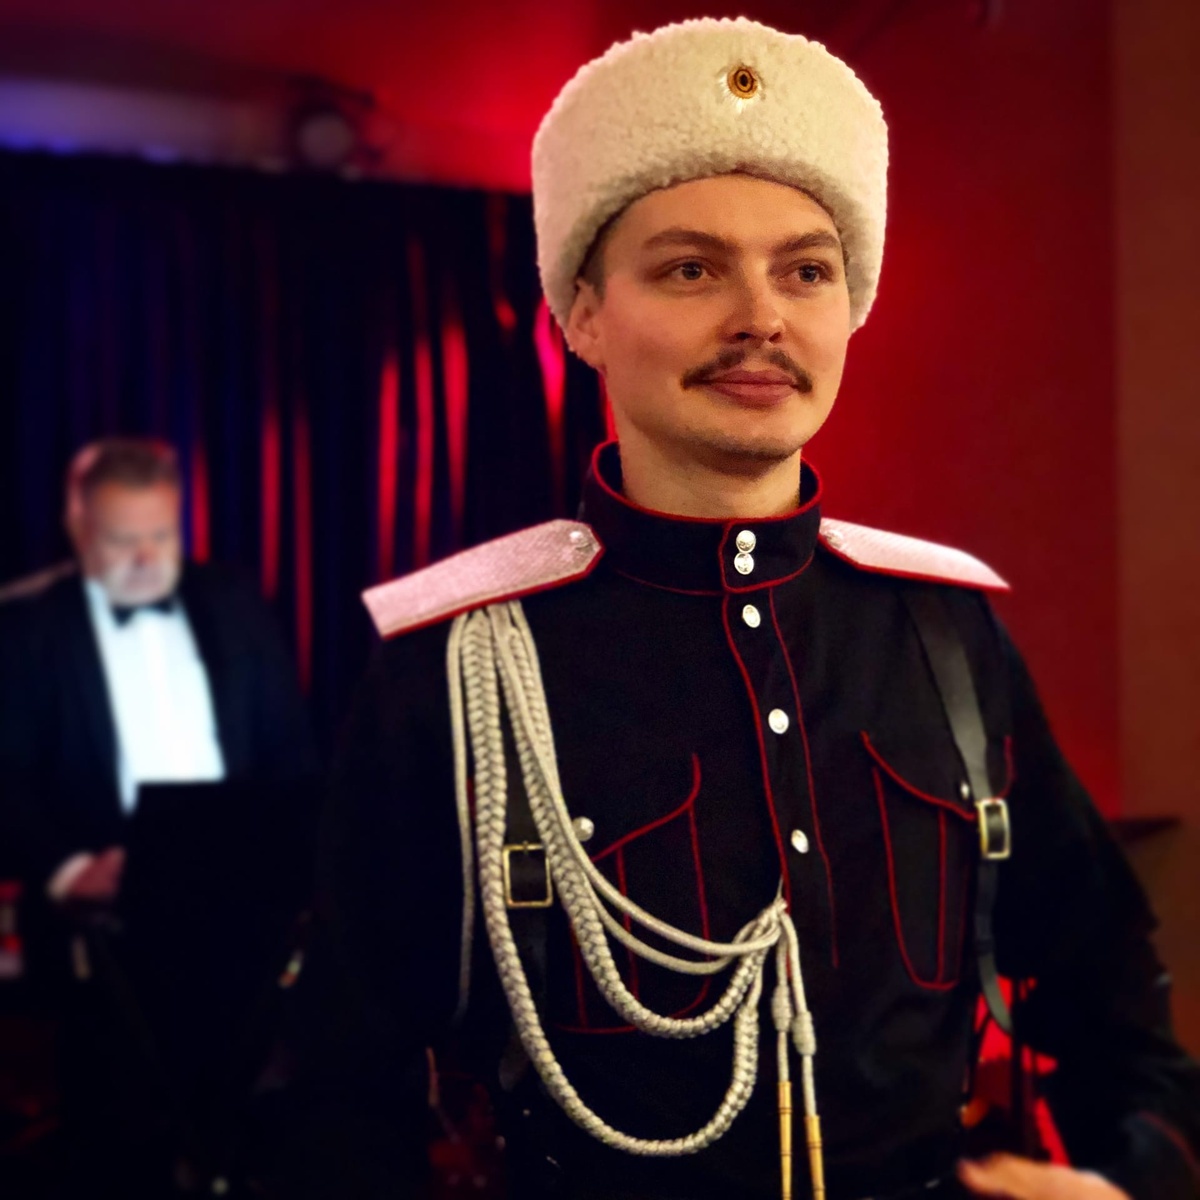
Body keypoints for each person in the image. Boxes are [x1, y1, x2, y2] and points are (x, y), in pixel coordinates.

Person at [324, 19, 1200, 1200]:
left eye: (805, 270)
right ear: (581, 314)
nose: (761, 317)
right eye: (691, 269)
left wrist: (1129, 1178)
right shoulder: (453, 666)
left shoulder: (946, 633)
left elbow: (1111, 986)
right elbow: (333, 1098)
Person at [0, 436, 317, 1195]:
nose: (147, 558)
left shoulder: (234, 601)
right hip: (101, 921)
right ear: (79, 530)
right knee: (115, 1139)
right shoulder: (26, 627)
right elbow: (6, 777)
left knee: (252, 1116)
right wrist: (70, 871)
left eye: (162, 535)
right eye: (123, 539)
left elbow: (292, 751)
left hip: (239, 903)